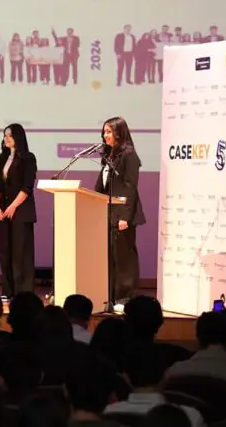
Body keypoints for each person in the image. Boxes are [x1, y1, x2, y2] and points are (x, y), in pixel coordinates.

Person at [94, 116, 145, 311]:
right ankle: (112, 296)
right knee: (111, 257)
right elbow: (102, 186)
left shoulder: (128, 155)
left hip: (124, 215)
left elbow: (130, 187)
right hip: (108, 214)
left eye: (108, 131)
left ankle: (126, 298)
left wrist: (125, 216)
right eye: (104, 132)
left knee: (124, 258)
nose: (105, 135)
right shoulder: (109, 155)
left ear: (118, 133)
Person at [0, 123, 38, 302]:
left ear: (18, 137)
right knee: (4, 251)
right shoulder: (3, 157)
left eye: (10, 135)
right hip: (4, 211)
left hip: (21, 211)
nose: (7, 138)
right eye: (5, 135)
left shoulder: (28, 158)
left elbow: (27, 187)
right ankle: (8, 290)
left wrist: (13, 207)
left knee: (21, 252)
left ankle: (23, 292)